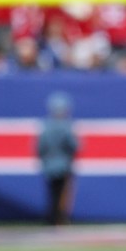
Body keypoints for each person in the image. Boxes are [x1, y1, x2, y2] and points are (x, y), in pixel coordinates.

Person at [36, 91, 79, 225]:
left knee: (52, 193)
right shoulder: (66, 127)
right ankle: (60, 218)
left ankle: (52, 217)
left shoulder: (46, 126)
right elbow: (74, 145)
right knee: (63, 194)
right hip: (63, 166)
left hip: (49, 166)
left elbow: (40, 147)